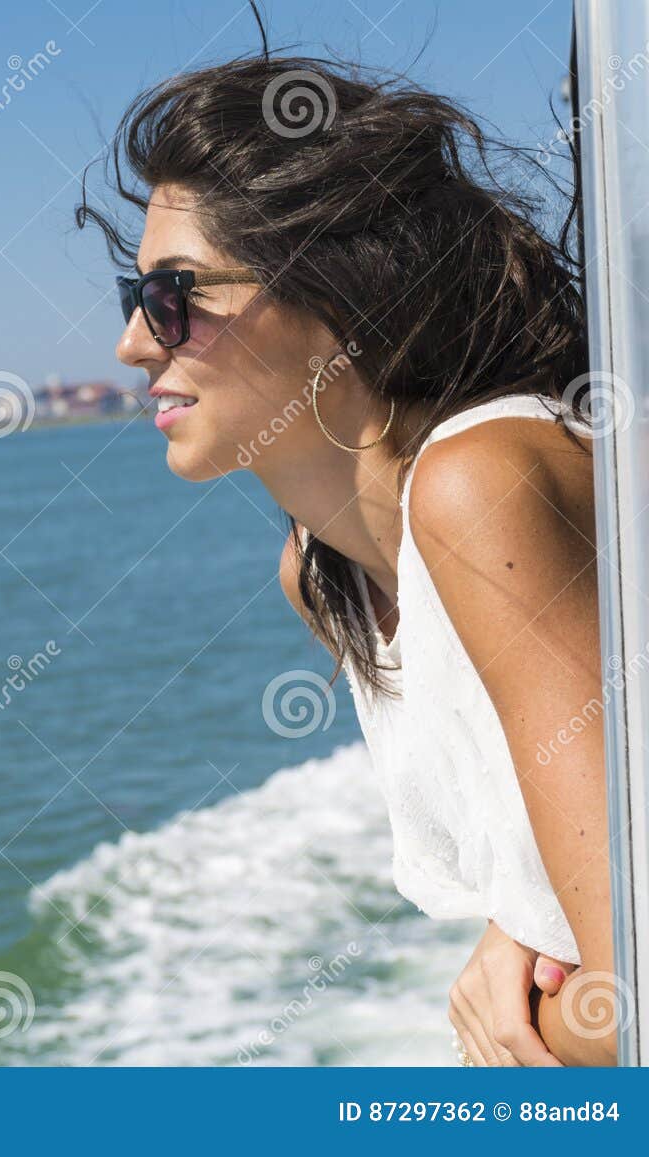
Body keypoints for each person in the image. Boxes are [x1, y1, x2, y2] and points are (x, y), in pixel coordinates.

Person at [80, 50, 620, 1065]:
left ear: (338, 292)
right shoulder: (325, 575)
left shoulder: (480, 483)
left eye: (173, 295)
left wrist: (519, 1032)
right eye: (134, 292)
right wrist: (519, 924)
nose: (132, 344)